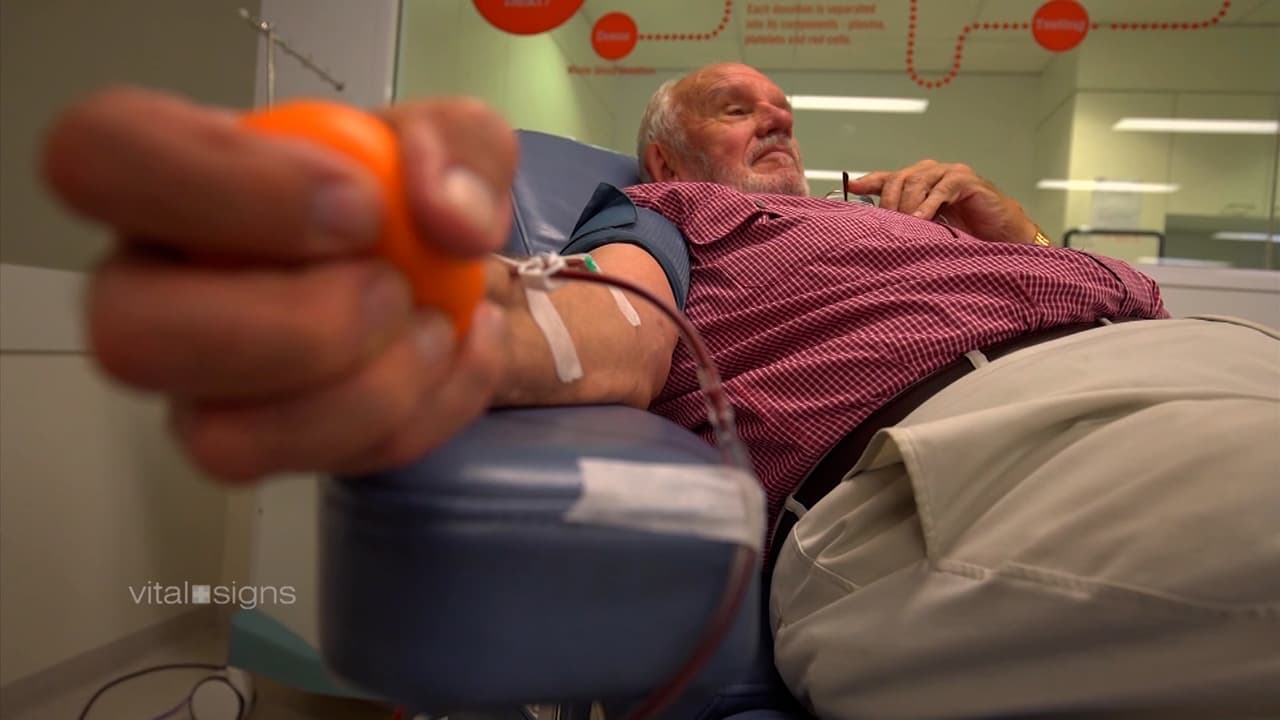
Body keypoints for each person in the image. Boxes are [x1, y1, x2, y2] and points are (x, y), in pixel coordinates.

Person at [42, 63, 1278, 718]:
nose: (776, 123)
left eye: (783, 111)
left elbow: (1136, 306)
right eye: (738, 110)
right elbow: (614, 330)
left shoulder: (926, 224)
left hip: (1207, 362)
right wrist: (424, 316)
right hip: (988, 449)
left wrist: (1016, 239)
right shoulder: (661, 209)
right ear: (666, 153)